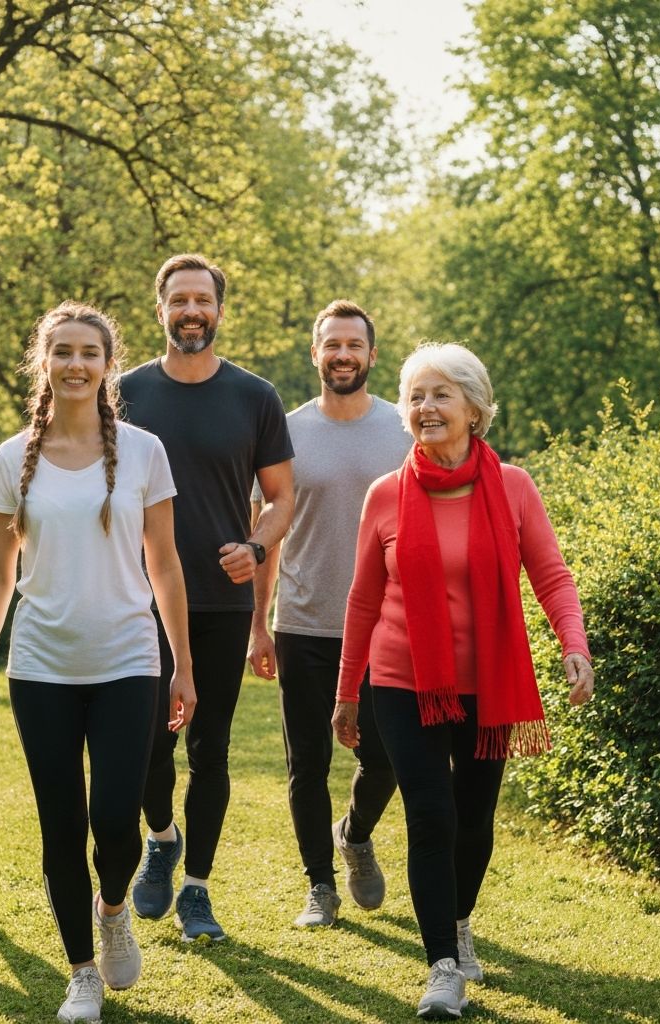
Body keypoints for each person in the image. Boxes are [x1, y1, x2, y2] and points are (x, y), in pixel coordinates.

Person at [332, 342, 594, 1019]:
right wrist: (346, 692)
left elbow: (551, 575)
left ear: (474, 408)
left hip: (489, 682)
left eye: (440, 394)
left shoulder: (513, 487)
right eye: (416, 396)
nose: (425, 408)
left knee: (475, 819)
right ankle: (443, 966)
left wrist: (573, 643)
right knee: (432, 815)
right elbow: (362, 600)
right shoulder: (386, 494)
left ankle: (459, 919)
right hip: (402, 680)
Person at [0, 301, 194, 1024]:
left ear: (107, 364)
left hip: (129, 660)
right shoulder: (9, 460)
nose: (75, 364)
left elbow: (165, 562)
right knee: (62, 825)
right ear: (44, 362)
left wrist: (181, 664)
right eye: (61, 351)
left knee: (118, 819)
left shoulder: (146, 452)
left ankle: (114, 906)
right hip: (41, 669)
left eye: (88, 352)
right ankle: (82, 972)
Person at [120, 253, 294, 942]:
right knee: (145, 750)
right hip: (137, 601)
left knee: (210, 749)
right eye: (179, 300)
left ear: (220, 310)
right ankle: (162, 838)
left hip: (221, 604)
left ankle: (198, 890)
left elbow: (283, 499)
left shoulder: (255, 396)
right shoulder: (124, 393)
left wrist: (254, 548)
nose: (192, 311)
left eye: (204, 300)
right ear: (159, 309)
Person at [248, 299, 410, 928]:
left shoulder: (404, 429)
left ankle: (357, 833)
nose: (343, 355)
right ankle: (320, 885)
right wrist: (258, 624)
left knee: (388, 756)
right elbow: (268, 532)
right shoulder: (284, 434)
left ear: (372, 354)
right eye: (331, 345)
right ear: (314, 354)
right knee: (305, 763)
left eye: (354, 345)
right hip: (304, 624)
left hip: (389, 628)